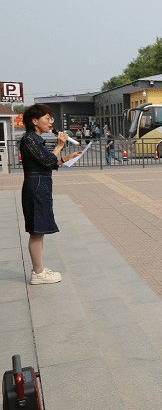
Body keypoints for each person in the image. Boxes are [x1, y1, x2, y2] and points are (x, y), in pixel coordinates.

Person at [19, 105, 82, 285]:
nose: (50, 122)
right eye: (47, 118)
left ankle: (39, 270)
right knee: (36, 230)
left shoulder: (35, 139)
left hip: (41, 185)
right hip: (36, 187)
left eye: (51, 119)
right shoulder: (30, 139)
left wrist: (65, 158)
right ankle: (38, 273)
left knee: (39, 230)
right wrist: (60, 145)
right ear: (35, 121)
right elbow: (47, 161)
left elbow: (47, 163)